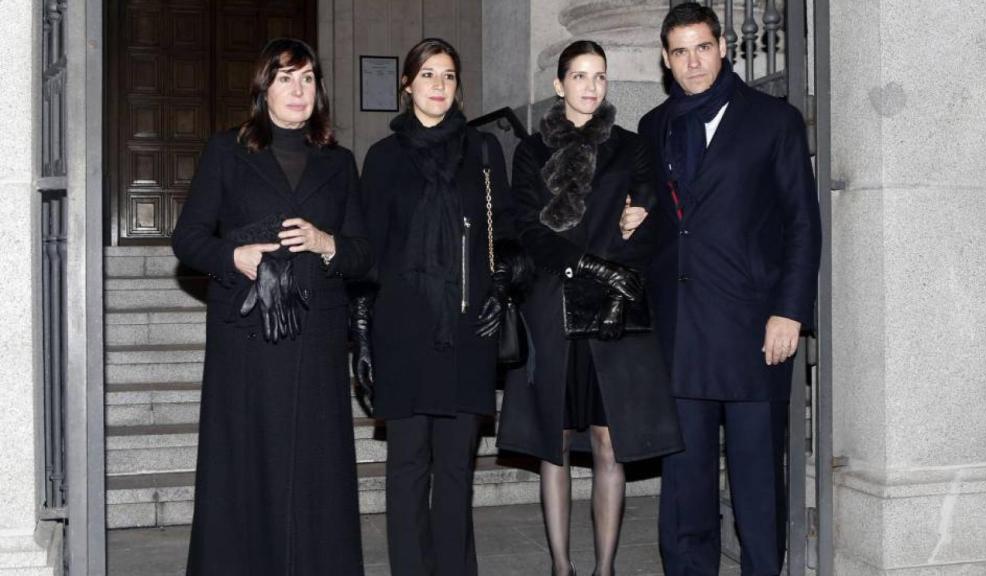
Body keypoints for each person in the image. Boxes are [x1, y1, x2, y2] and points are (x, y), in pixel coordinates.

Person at [628, 4, 822, 575]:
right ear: (666, 59)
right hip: (681, 328)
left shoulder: (772, 120)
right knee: (685, 488)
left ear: (723, 48)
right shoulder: (654, 126)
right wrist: (636, 219)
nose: (693, 61)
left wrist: (789, 312)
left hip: (752, 329)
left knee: (757, 484)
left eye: (703, 47)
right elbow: (666, 219)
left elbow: (802, 223)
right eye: (680, 51)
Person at [171, 38, 369, 575]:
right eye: (286, 79)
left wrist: (327, 243)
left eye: (307, 79)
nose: (298, 90)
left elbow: (363, 253)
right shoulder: (226, 151)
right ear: (264, 88)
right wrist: (233, 255)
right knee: (245, 464)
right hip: (248, 336)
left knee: (316, 469)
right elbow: (187, 238)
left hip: (317, 336)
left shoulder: (340, 161)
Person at [497, 40, 684, 576]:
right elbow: (528, 227)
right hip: (552, 304)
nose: (590, 87)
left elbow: (650, 217)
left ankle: (605, 568)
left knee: (609, 440)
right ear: (559, 86)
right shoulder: (531, 151)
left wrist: (625, 247)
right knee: (552, 444)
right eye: (579, 76)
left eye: (599, 76)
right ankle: (561, 566)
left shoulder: (631, 147)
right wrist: (583, 264)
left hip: (612, 309)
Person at [353, 37, 522, 576]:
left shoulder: (485, 152)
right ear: (407, 85)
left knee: (455, 470)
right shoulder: (382, 158)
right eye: (428, 75)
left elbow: (508, 236)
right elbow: (365, 253)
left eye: (448, 76)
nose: (438, 86)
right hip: (402, 330)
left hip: (467, 326)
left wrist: (503, 286)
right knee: (406, 468)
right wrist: (361, 334)